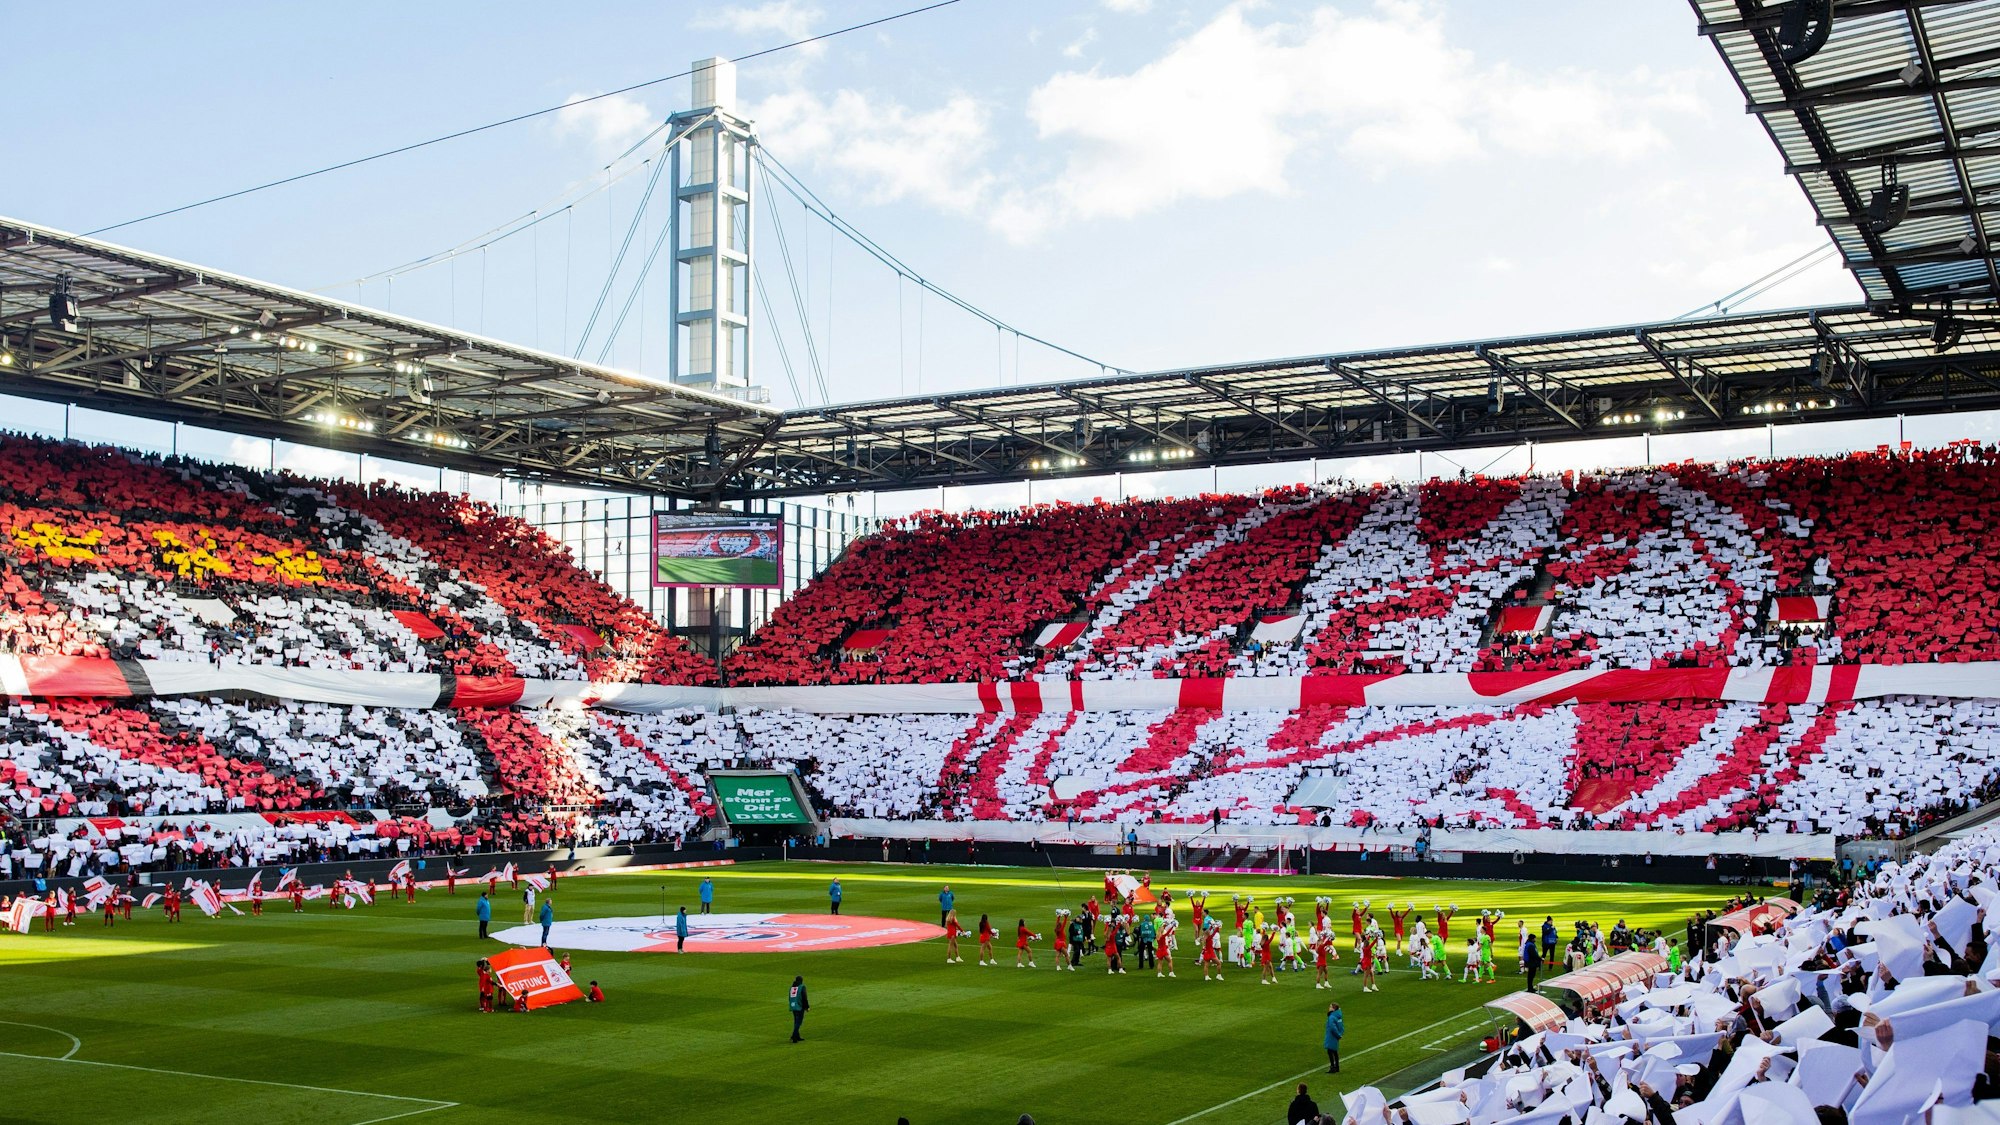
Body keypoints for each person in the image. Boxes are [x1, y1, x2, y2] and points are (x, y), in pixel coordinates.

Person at [788, 975, 809, 1043]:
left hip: (793, 1006)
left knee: (796, 1021)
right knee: (799, 1022)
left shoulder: (792, 987)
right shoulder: (802, 987)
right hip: (799, 1007)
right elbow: (804, 997)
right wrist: (807, 1007)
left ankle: (797, 1036)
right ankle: (794, 1036)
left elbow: (790, 997)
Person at [1324, 1002, 1344, 1073]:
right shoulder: (1339, 1016)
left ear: (1333, 1008)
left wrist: (1338, 1035)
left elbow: (1333, 1028)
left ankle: (1332, 1067)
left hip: (1331, 1036)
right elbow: (1341, 1027)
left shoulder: (1332, 1017)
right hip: (1336, 1036)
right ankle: (1337, 1067)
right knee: (1335, 1052)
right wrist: (1340, 1035)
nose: (1329, 1008)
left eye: (1330, 1007)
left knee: (1330, 1051)